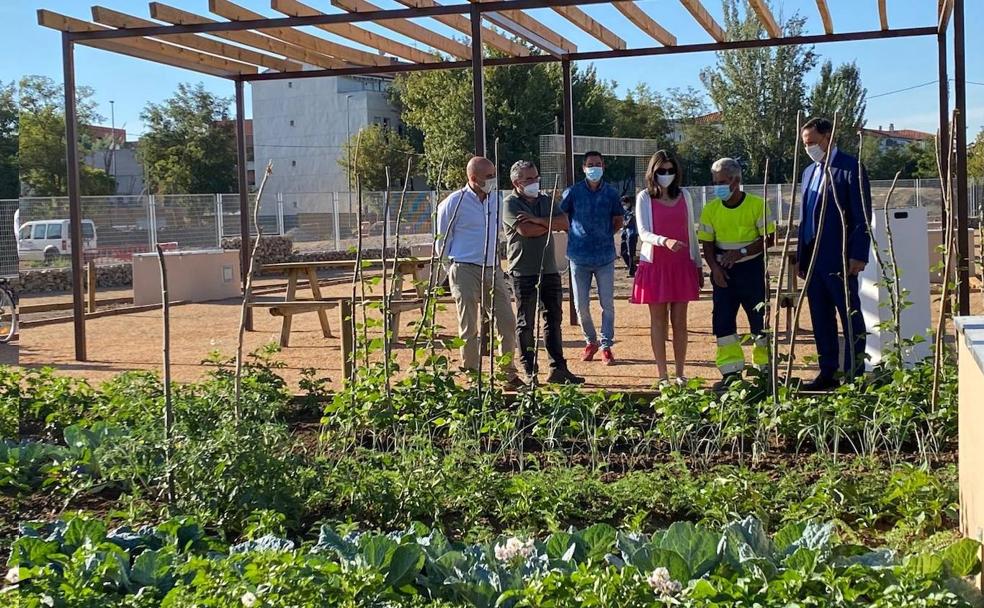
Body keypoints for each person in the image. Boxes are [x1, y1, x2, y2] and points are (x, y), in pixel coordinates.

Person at [796, 117, 872, 390]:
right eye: (806, 144)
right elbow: (806, 217)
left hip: (839, 257)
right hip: (813, 259)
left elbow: (862, 215)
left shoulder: (850, 168)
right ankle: (827, 373)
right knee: (820, 316)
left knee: (849, 315)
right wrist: (801, 257)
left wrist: (858, 254)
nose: (809, 148)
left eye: (813, 142)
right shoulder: (808, 172)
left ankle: (854, 375)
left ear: (829, 137)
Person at [435, 156, 521, 387]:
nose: (493, 180)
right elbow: (442, 241)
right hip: (464, 268)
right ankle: (473, 376)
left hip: (492, 268)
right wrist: (452, 269)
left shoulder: (497, 200)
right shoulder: (453, 203)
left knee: (506, 321)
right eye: (488, 176)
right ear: (473, 178)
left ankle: (507, 374)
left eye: (494, 174)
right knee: (469, 325)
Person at [502, 160, 584, 385]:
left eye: (535, 177)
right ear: (516, 182)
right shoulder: (510, 204)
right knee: (525, 323)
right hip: (523, 272)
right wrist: (550, 224)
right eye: (528, 179)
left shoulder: (546, 200)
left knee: (553, 319)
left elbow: (565, 222)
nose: (534, 182)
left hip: (549, 270)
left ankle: (558, 369)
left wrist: (539, 220)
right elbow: (525, 230)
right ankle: (530, 370)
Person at [697, 157, 775, 388]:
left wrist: (741, 252)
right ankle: (731, 373)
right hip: (723, 272)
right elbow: (707, 244)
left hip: (751, 269)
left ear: (736, 180)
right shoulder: (710, 209)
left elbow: (769, 238)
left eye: (722, 181)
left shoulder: (756, 205)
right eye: (715, 182)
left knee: (759, 321)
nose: (717, 187)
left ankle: (763, 371)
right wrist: (714, 269)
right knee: (723, 323)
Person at [631, 150, 702, 384]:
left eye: (671, 171)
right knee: (658, 321)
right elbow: (643, 233)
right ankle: (662, 375)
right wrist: (665, 241)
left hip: (681, 266)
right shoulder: (644, 197)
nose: (666, 175)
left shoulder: (685, 196)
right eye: (661, 171)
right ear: (653, 172)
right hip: (656, 265)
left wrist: (698, 264)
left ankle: (680, 373)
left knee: (680, 321)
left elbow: (691, 232)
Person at [560, 151, 624, 365]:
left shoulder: (611, 194)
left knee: (608, 303)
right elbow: (563, 217)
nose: (594, 168)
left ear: (603, 166)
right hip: (578, 257)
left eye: (597, 164)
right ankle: (591, 341)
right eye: (590, 164)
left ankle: (606, 345)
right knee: (581, 305)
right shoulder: (573, 192)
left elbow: (618, 220)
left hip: (604, 256)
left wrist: (604, 236)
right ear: (583, 168)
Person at [620, 195, 639, 277]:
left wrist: (623, 224)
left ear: (628, 203)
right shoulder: (624, 211)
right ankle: (634, 267)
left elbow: (629, 221)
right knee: (623, 252)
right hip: (625, 234)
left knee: (632, 254)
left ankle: (632, 272)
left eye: (624, 203)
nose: (623, 205)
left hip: (632, 234)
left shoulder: (632, 211)